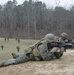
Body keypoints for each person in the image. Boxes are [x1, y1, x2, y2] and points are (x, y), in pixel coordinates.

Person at [0, 33, 65, 67]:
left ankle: (17, 55)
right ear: (48, 41)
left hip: (37, 56)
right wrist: (52, 51)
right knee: (17, 61)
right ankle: (3, 63)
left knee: (20, 55)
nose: (54, 43)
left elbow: (58, 56)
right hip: (30, 55)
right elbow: (46, 58)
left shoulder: (51, 44)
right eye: (53, 41)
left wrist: (61, 51)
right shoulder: (42, 46)